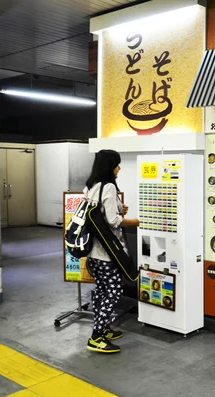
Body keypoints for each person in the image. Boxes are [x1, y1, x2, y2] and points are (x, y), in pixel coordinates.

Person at [85, 150, 140, 354]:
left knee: (101, 290)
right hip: (107, 253)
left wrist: (119, 211)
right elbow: (112, 221)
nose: (119, 168)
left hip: (94, 252)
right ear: (109, 166)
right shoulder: (108, 187)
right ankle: (97, 336)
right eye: (116, 164)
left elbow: (100, 216)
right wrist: (135, 221)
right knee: (115, 289)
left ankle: (104, 328)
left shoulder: (90, 186)